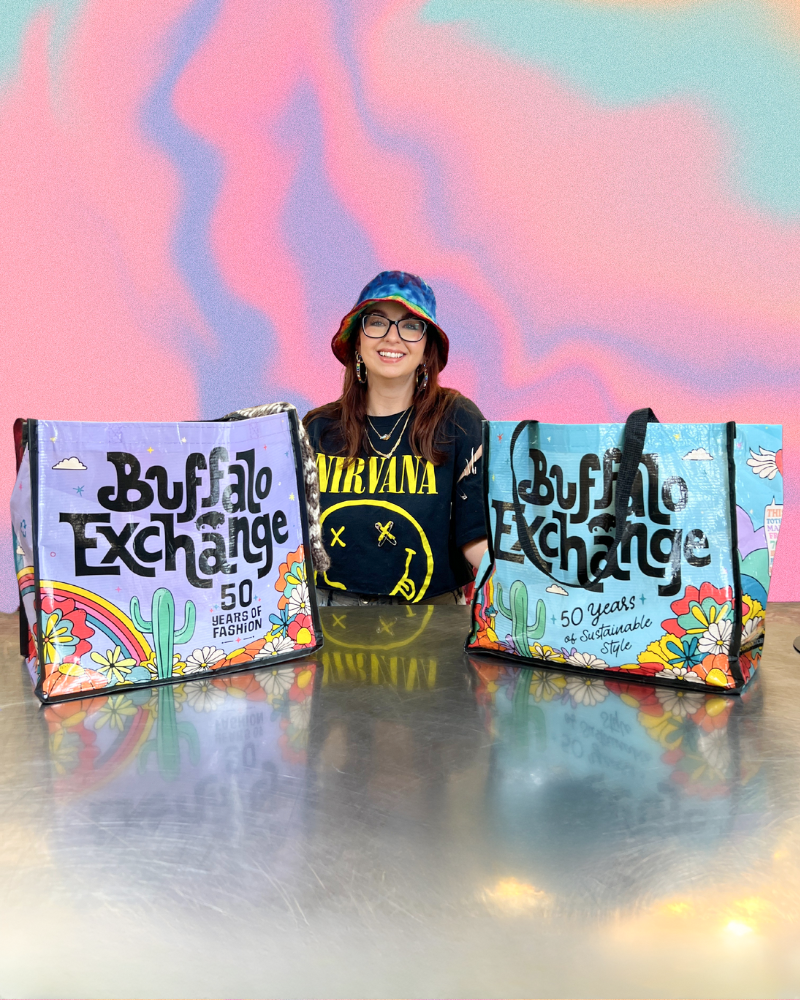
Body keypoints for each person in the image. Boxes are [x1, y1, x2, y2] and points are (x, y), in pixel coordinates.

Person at [304, 271, 488, 606]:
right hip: (329, 616)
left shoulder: (458, 419)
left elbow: (474, 537)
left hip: (435, 621)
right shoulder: (317, 429)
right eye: (377, 322)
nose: (392, 337)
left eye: (410, 325)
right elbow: (289, 539)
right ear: (357, 340)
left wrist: (534, 589)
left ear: (427, 346)